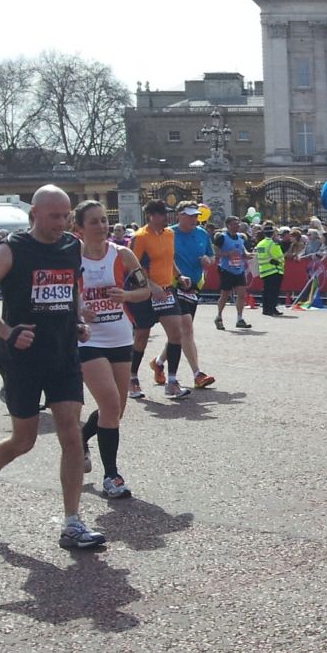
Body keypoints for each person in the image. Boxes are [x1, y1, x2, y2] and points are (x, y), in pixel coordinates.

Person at [0, 185, 105, 550]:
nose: (62, 223)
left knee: (71, 434)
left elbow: (70, 288)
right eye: (54, 216)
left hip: (63, 355)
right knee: (23, 440)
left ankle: (72, 523)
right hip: (22, 359)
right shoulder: (10, 250)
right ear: (34, 216)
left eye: (66, 215)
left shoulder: (72, 247)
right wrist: (7, 333)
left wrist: (76, 319)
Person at [73, 200, 153, 500]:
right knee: (108, 403)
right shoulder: (71, 256)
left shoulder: (123, 254)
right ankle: (112, 476)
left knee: (116, 409)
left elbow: (146, 290)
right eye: (94, 222)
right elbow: (60, 295)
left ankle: (81, 438)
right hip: (89, 339)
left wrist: (126, 295)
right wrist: (80, 309)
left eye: (104, 220)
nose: (102, 226)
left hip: (120, 337)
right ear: (78, 228)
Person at [127, 200, 191, 400]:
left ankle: (171, 381)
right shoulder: (140, 237)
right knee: (142, 336)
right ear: (151, 216)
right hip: (143, 293)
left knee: (176, 334)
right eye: (163, 214)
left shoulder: (169, 234)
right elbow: (132, 266)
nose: (167, 217)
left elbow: (168, 259)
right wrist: (150, 286)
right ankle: (132, 377)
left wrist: (179, 275)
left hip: (167, 291)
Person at [153, 203, 216, 394]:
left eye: (195, 216)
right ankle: (197, 374)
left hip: (193, 287)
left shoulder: (202, 233)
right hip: (173, 285)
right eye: (189, 216)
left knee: (178, 334)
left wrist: (208, 260)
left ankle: (158, 362)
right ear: (179, 215)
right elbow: (162, 257)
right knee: (186, 328)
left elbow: (211, 257)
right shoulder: (168, 233)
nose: (193, 219)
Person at [212, 215, 253, 330]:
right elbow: (215, 252)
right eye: (235, 224)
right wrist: (227, 254)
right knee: (225, 295)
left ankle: (240, 318)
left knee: (242, 294)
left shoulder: (241, 237)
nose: (237, 226)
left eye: (238, 223)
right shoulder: (222, 238)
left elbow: (242, 250)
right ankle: (219, 316)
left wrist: (248, 255)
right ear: (228, 225)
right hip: (226, 269)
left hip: (238, 269)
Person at [254, 225, 286, 317]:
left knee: (266, 291)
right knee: (273, 292)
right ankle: (272, 309)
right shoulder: (273, 244)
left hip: (264, 270)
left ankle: (266, 309)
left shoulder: (260, 244)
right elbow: (280, 257)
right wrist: (281, 263)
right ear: (273, 234)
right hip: (274, 270)